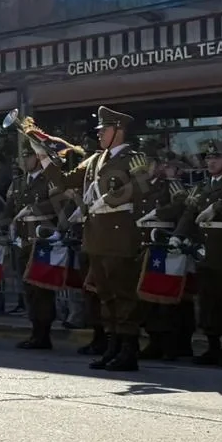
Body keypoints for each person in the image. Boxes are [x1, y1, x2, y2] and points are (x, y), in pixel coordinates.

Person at [40, 106, 150, 372]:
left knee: (123, 295)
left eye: (105, 130)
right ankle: (112, 346)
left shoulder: (134, 158)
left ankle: (128, 349)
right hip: (96, 236)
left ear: (118, 131)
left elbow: (141, 186)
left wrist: (107, 201)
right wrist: (43, 156)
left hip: (119, 236)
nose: (100, 135)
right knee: (105, 295)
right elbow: (65, 182)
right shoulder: (94, 160)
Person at [161, 139, 222, 367]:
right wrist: (179, 235)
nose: (211, 161)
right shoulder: (201, 186)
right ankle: (213, 345)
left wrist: (217, 207)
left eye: (217, 157)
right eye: (208, 157)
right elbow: (189, 213)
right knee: (208, 300)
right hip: (204, 248)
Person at [0, 144, 61, 350]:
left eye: (29, 156)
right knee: (29, 289)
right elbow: (8, 210)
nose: (25, 160)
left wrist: (35, 208)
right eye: (23, 157)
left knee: (41, 289)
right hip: (22, 241)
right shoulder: (18, 182)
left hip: (41, 241)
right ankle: (35, 331)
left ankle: (43, 333)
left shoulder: (50, 179)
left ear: (39, 158)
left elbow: (60, 205)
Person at [135, 151, 192, 360]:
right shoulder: (141, 186)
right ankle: (154, 340)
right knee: (148, 296)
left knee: (166, 297)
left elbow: (183, 205)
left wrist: (160, 213)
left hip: (164, 241)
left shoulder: (170, 184)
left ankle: (172, 343)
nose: (146, 168)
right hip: (145, 242)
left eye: (149, 163)